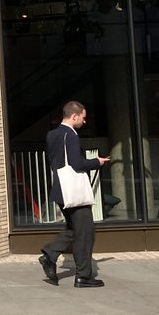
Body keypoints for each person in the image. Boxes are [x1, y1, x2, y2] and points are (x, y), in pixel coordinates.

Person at [39, 101, 111, 289]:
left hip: (61, 189)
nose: (84, 121)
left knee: (74, 229)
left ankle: (50, 254)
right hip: (74, 192)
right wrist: (96, 162)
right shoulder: (70, 135)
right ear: (74, 116)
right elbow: (77, 164)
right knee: (86, 233)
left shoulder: (52, 134)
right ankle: (83, 276)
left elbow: (55, 161)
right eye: (83, 118)